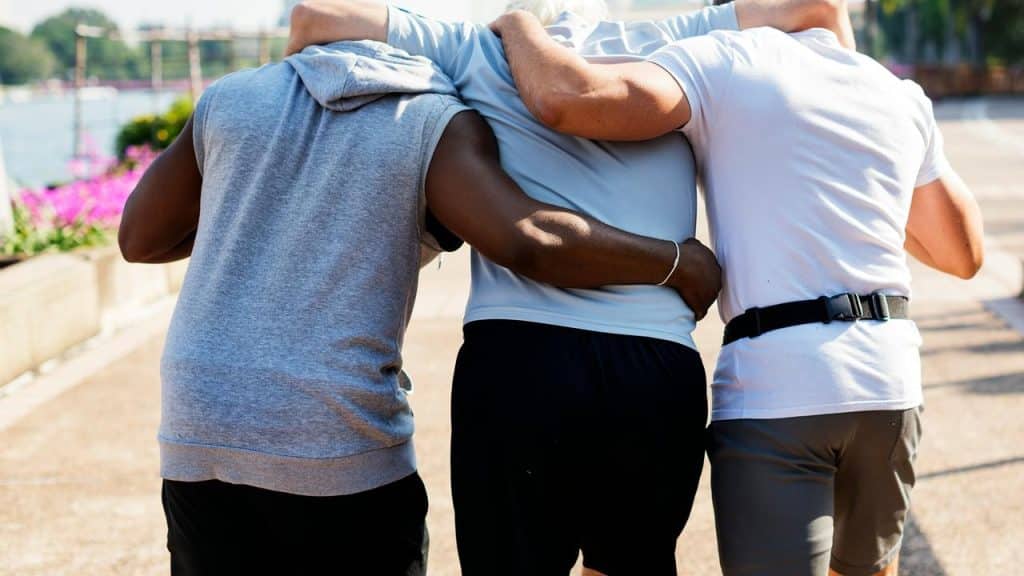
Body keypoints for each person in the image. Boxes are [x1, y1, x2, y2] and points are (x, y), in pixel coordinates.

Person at [286, 1, 851, 574]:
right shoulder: (676, 42)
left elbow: (315, 17)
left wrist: (505, 29)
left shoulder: (469, 46)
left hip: (516, 361)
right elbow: (819, 9)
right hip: (653, 365)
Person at [118, 40, 722, 575]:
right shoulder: (430, 115)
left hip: (201, 418)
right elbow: (524, 238)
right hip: (331, 424)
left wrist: (262, 213)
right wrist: (675, 261)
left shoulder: (233, 96)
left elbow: (139, 238)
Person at [491, 0, 986, 574]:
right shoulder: (895, 93)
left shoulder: (725, 59)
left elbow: (566, 97)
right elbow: (963, 253)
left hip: (778, 385)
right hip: (890, 383)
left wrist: (518, 24)